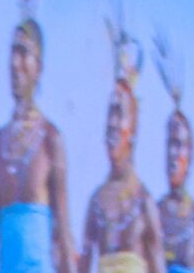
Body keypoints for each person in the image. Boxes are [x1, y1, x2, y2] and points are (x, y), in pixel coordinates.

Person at [0, 0, 72, 273]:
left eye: (24, 53)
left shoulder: (51, 140)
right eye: (12, 52)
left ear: (39, 66)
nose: (15, 64)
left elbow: (64, 234)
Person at [79, 28, 163, 273]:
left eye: (120, 114)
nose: (113, 124)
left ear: (133, 128)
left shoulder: (144, 202)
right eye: (110, 115)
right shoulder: (96, 202)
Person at [149, 37, 194, 273]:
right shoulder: (152, 213)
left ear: (190, 155)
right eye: (170, 144)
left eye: (179, 145)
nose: (173, 153)